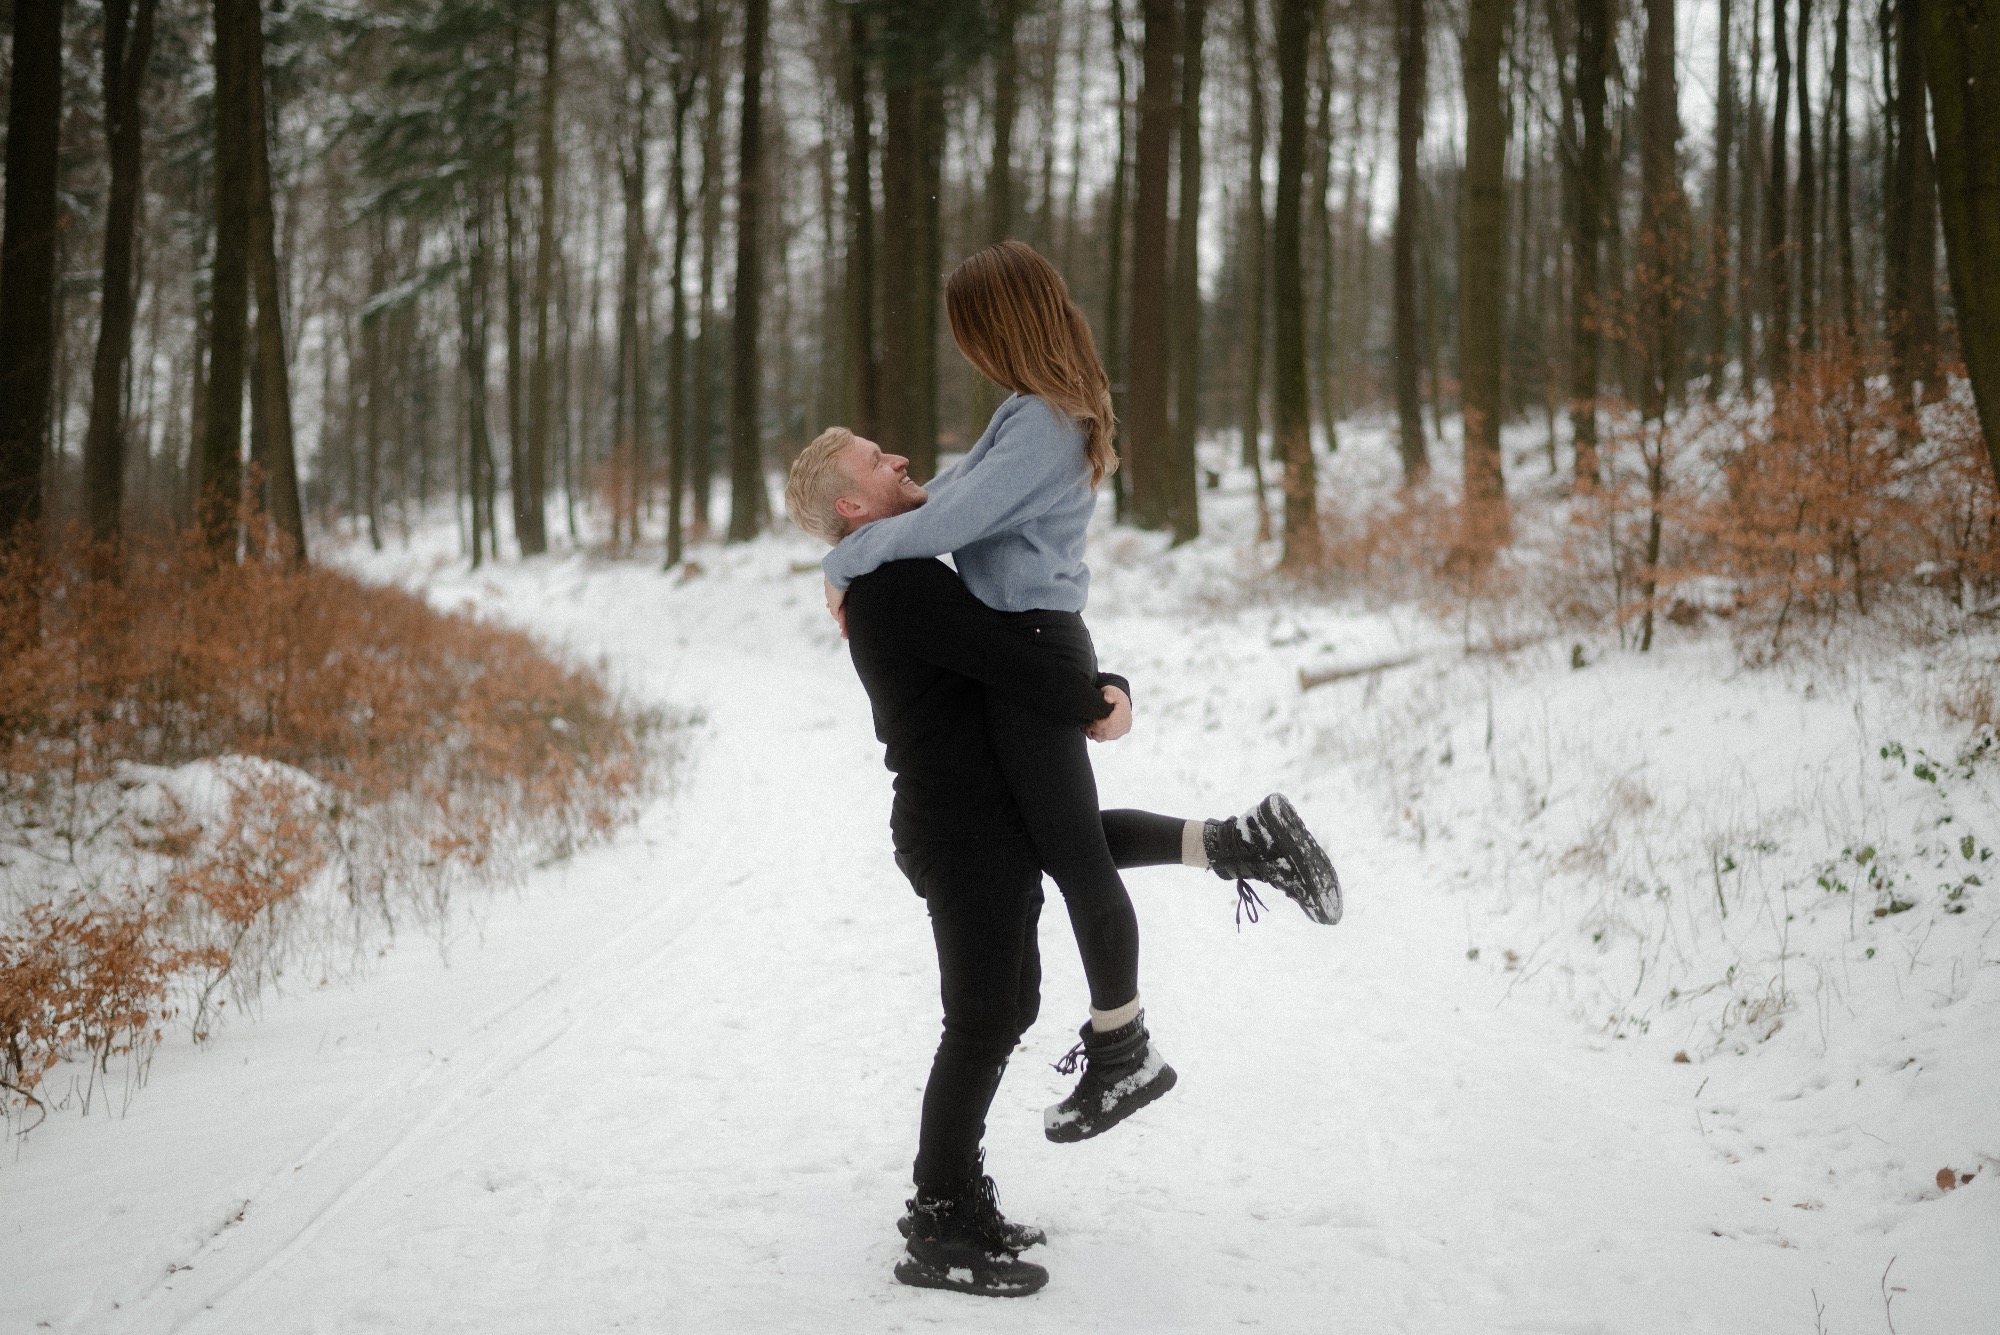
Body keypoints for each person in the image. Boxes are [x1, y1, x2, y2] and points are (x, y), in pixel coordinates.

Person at [786, 427, 1342, 1298]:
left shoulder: (903, 572)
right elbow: (1008, 658)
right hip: (957, 829)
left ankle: (958, 1194)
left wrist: (1101, 684)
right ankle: (939, 1219)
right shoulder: (896, 587)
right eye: (873, 459)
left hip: (983, 816)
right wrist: (1100, 698)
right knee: (979, 1019)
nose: (896, 456)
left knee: (1012, 1002)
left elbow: (1006, 645)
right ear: (852, 505)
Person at [819, 241, 1343, 1148]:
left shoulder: (1044, 422)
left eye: (972, 330)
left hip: (1030, 643)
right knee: (1051, 837)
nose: (967, 349)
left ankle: (1123, 1043)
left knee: (1072, 857)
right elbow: (943, 498)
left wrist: (843, 561)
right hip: (1029, 641)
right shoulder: (1027, 413)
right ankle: (1239, 841)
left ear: (1002, 325)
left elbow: (949, 519)